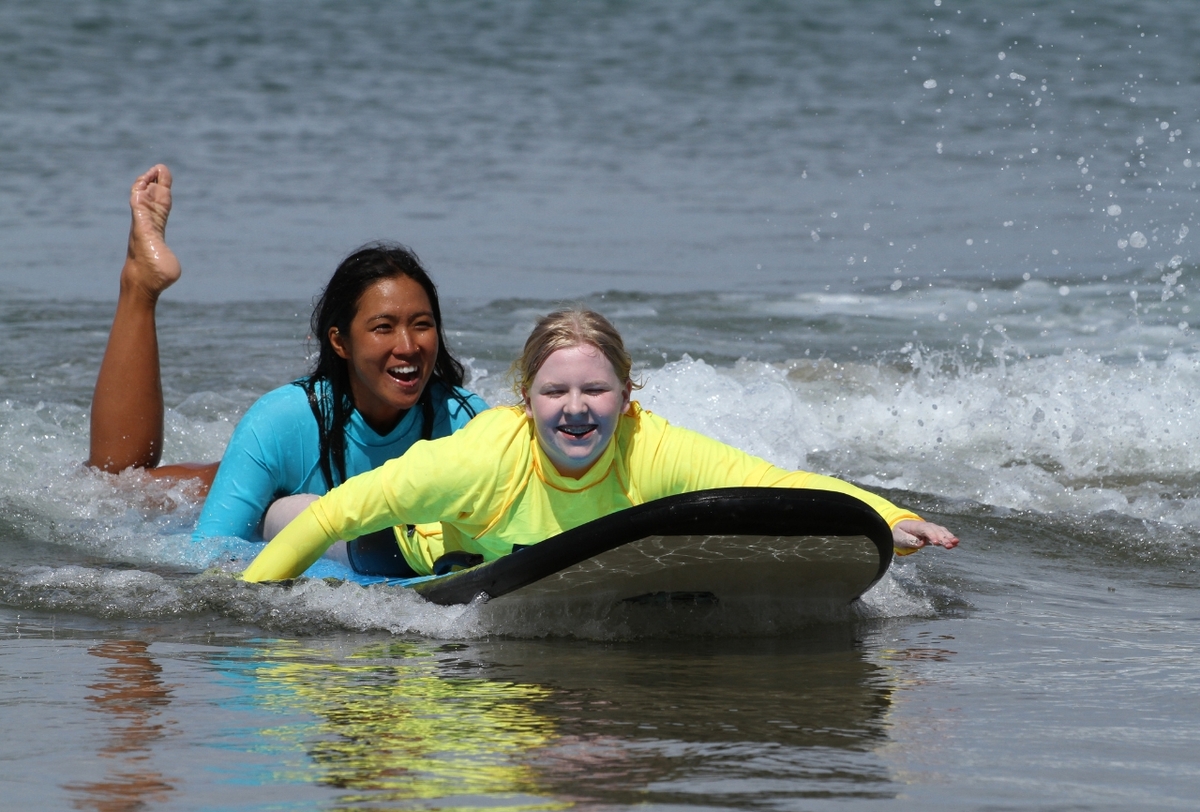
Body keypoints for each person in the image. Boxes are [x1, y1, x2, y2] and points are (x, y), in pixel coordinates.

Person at [242, 309, 957, 583]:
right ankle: (272, 507)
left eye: (597, 391)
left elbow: (776, 480)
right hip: (417, 547)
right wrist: (246, 606)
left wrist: (888, 515)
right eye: (555, 392)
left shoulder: (653, 447)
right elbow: (341, 514)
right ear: (527, 399)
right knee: (304, 519)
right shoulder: (482, 456)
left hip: (536, 556)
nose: (576, 410)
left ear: (628, 393)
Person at [88, 165, 487, 560]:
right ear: (340, 342)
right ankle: (140, 283)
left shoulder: (467, 424)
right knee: (114, 481)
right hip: (267, 485)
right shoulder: (281, 422)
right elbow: (207, 556)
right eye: (383, 327)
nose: (408, 346)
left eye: (422, 325)